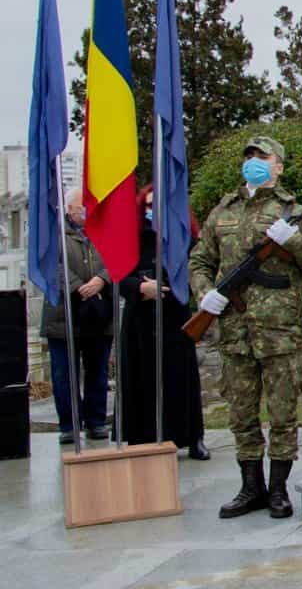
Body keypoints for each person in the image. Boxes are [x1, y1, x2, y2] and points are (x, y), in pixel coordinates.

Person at [189, 135, 302, 520]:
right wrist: (205, 295)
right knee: (241, 413)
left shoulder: (295, 212)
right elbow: (200, 259)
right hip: (235, 332)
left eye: (262, 157)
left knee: (284, 412)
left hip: (279, 332)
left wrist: (296, 241)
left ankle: (279, 490)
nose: (254, 161)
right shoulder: (222, 212)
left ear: (279, 166)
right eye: (249, 156)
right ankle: (250, 487)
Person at [116, 184, 208, 459]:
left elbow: (199, 269)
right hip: (140, 320)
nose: (151, 212)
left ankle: (192, 437)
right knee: (140, 378)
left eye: (156, 206)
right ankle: (140, 438)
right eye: (147, 206)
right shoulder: (129, 238)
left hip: (174, 317)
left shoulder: (184, 236)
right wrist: (139, 289)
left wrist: (176, 288)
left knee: (181, 378)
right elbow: (118, 276)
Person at [40, 188, 113, 444]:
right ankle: (69, 425)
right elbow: (51, 265)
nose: (85, 212)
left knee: (98, 371)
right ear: (69, 209)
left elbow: (115, 259)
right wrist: (77, 286)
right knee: (64, 374)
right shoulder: (55, 233)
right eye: (80, 207)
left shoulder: (104, 231)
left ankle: (95, 421)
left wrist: (101, 280)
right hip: (63, 315)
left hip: (99, 314)